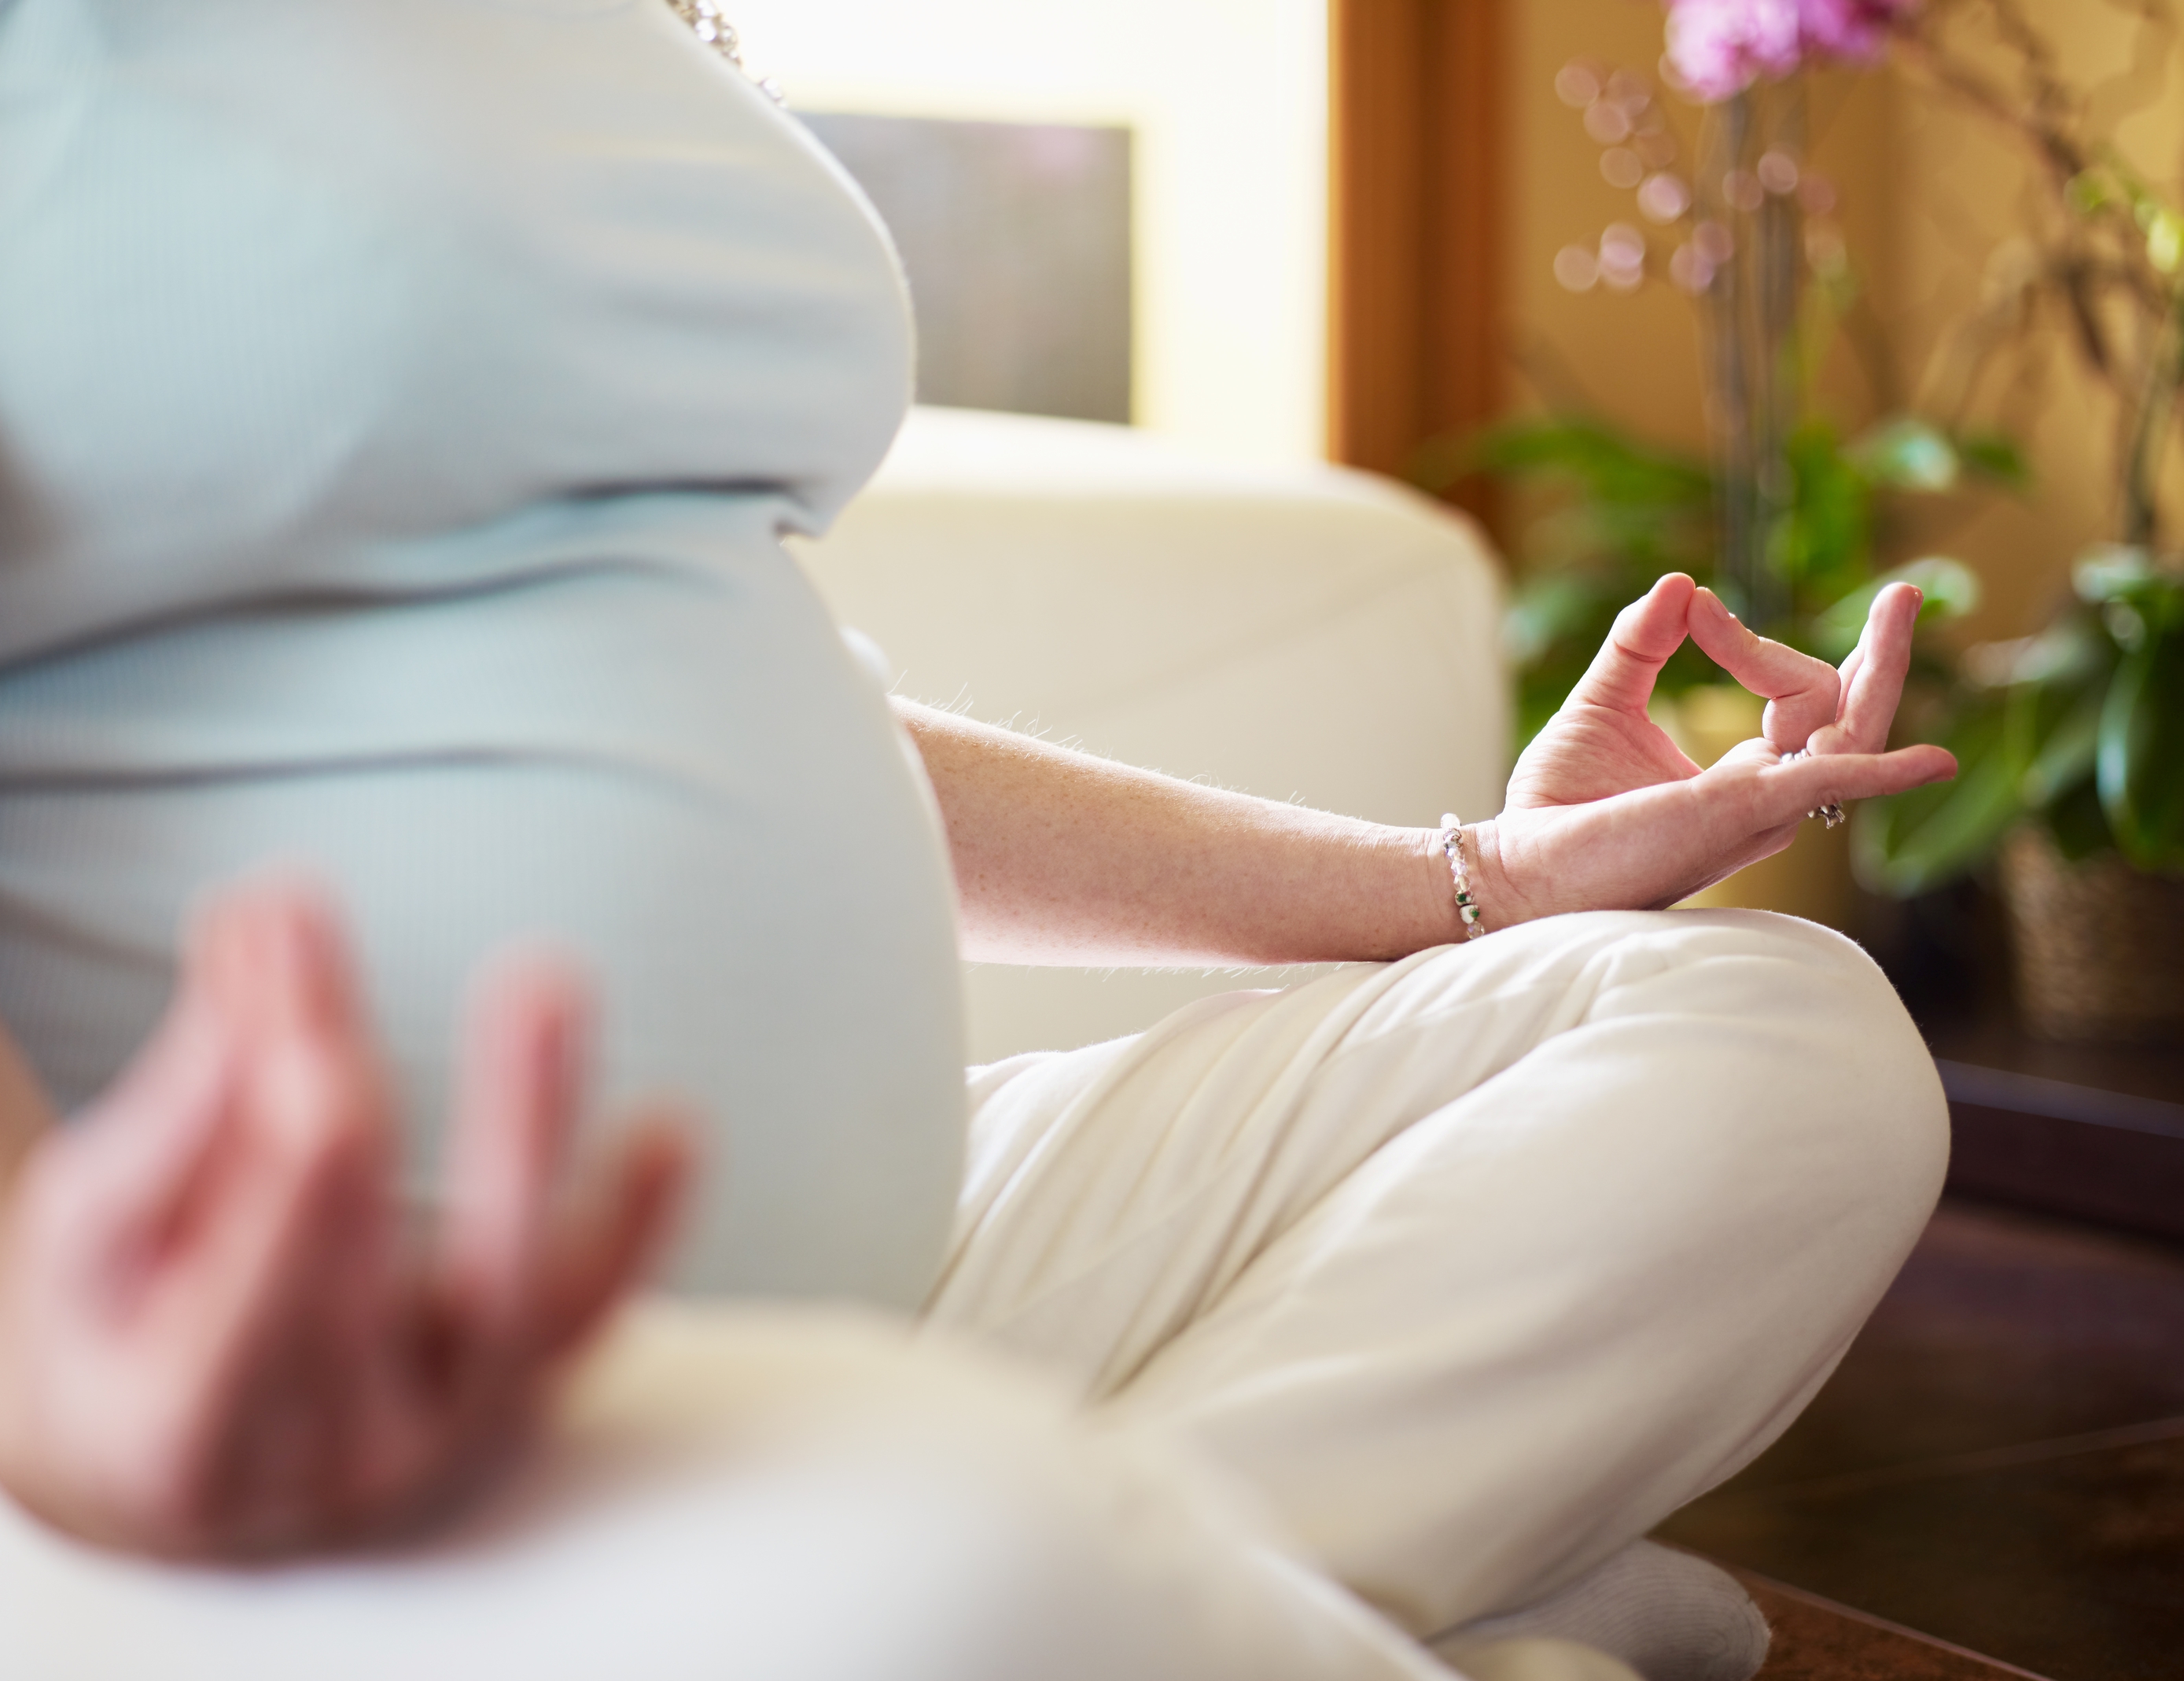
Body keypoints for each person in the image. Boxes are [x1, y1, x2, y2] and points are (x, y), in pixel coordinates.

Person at [0, 2, 1957, 1675]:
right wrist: (38, 1356)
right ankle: (1254, 1603)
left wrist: (1470, 884)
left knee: (1780, 1050)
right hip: (320, 1346)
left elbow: (743, 684)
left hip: (896, 1275)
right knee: (954, 1554)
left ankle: (1195, 1609)